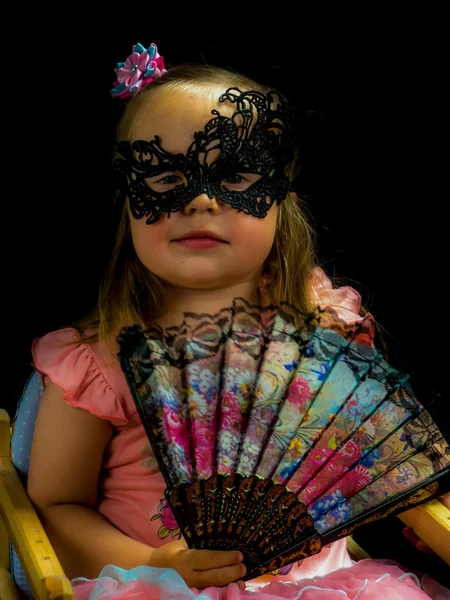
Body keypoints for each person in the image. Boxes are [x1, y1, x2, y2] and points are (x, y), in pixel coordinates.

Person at [27, 42, 449, 599]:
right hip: (159, 586)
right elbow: (56, 506)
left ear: (281, 199)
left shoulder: (324, 333)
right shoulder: (99, 360)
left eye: (237, 176)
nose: (200, 201)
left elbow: (379, 459)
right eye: (164, 179)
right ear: (126, 200)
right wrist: (156, 561)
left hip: (327, 587)